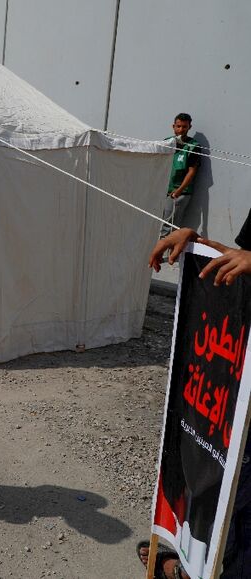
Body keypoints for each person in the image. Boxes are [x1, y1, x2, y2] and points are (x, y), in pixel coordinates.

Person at [141, 209, 251, 578]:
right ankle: (183, 571)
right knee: (225, 509)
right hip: (241, 396)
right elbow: (241, 268)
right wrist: (199, 247)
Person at [159, 113, 201, 238]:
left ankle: (164, 256)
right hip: (165, 191)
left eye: (184, 127)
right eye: (178, 126)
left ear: (189, 127)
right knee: (162, 224)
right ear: (173, 126)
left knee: (168, 227)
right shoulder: (167, 142)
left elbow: (192, 171)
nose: (181, 130)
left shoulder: (193, 146)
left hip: (179, 194)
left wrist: (179, 191)